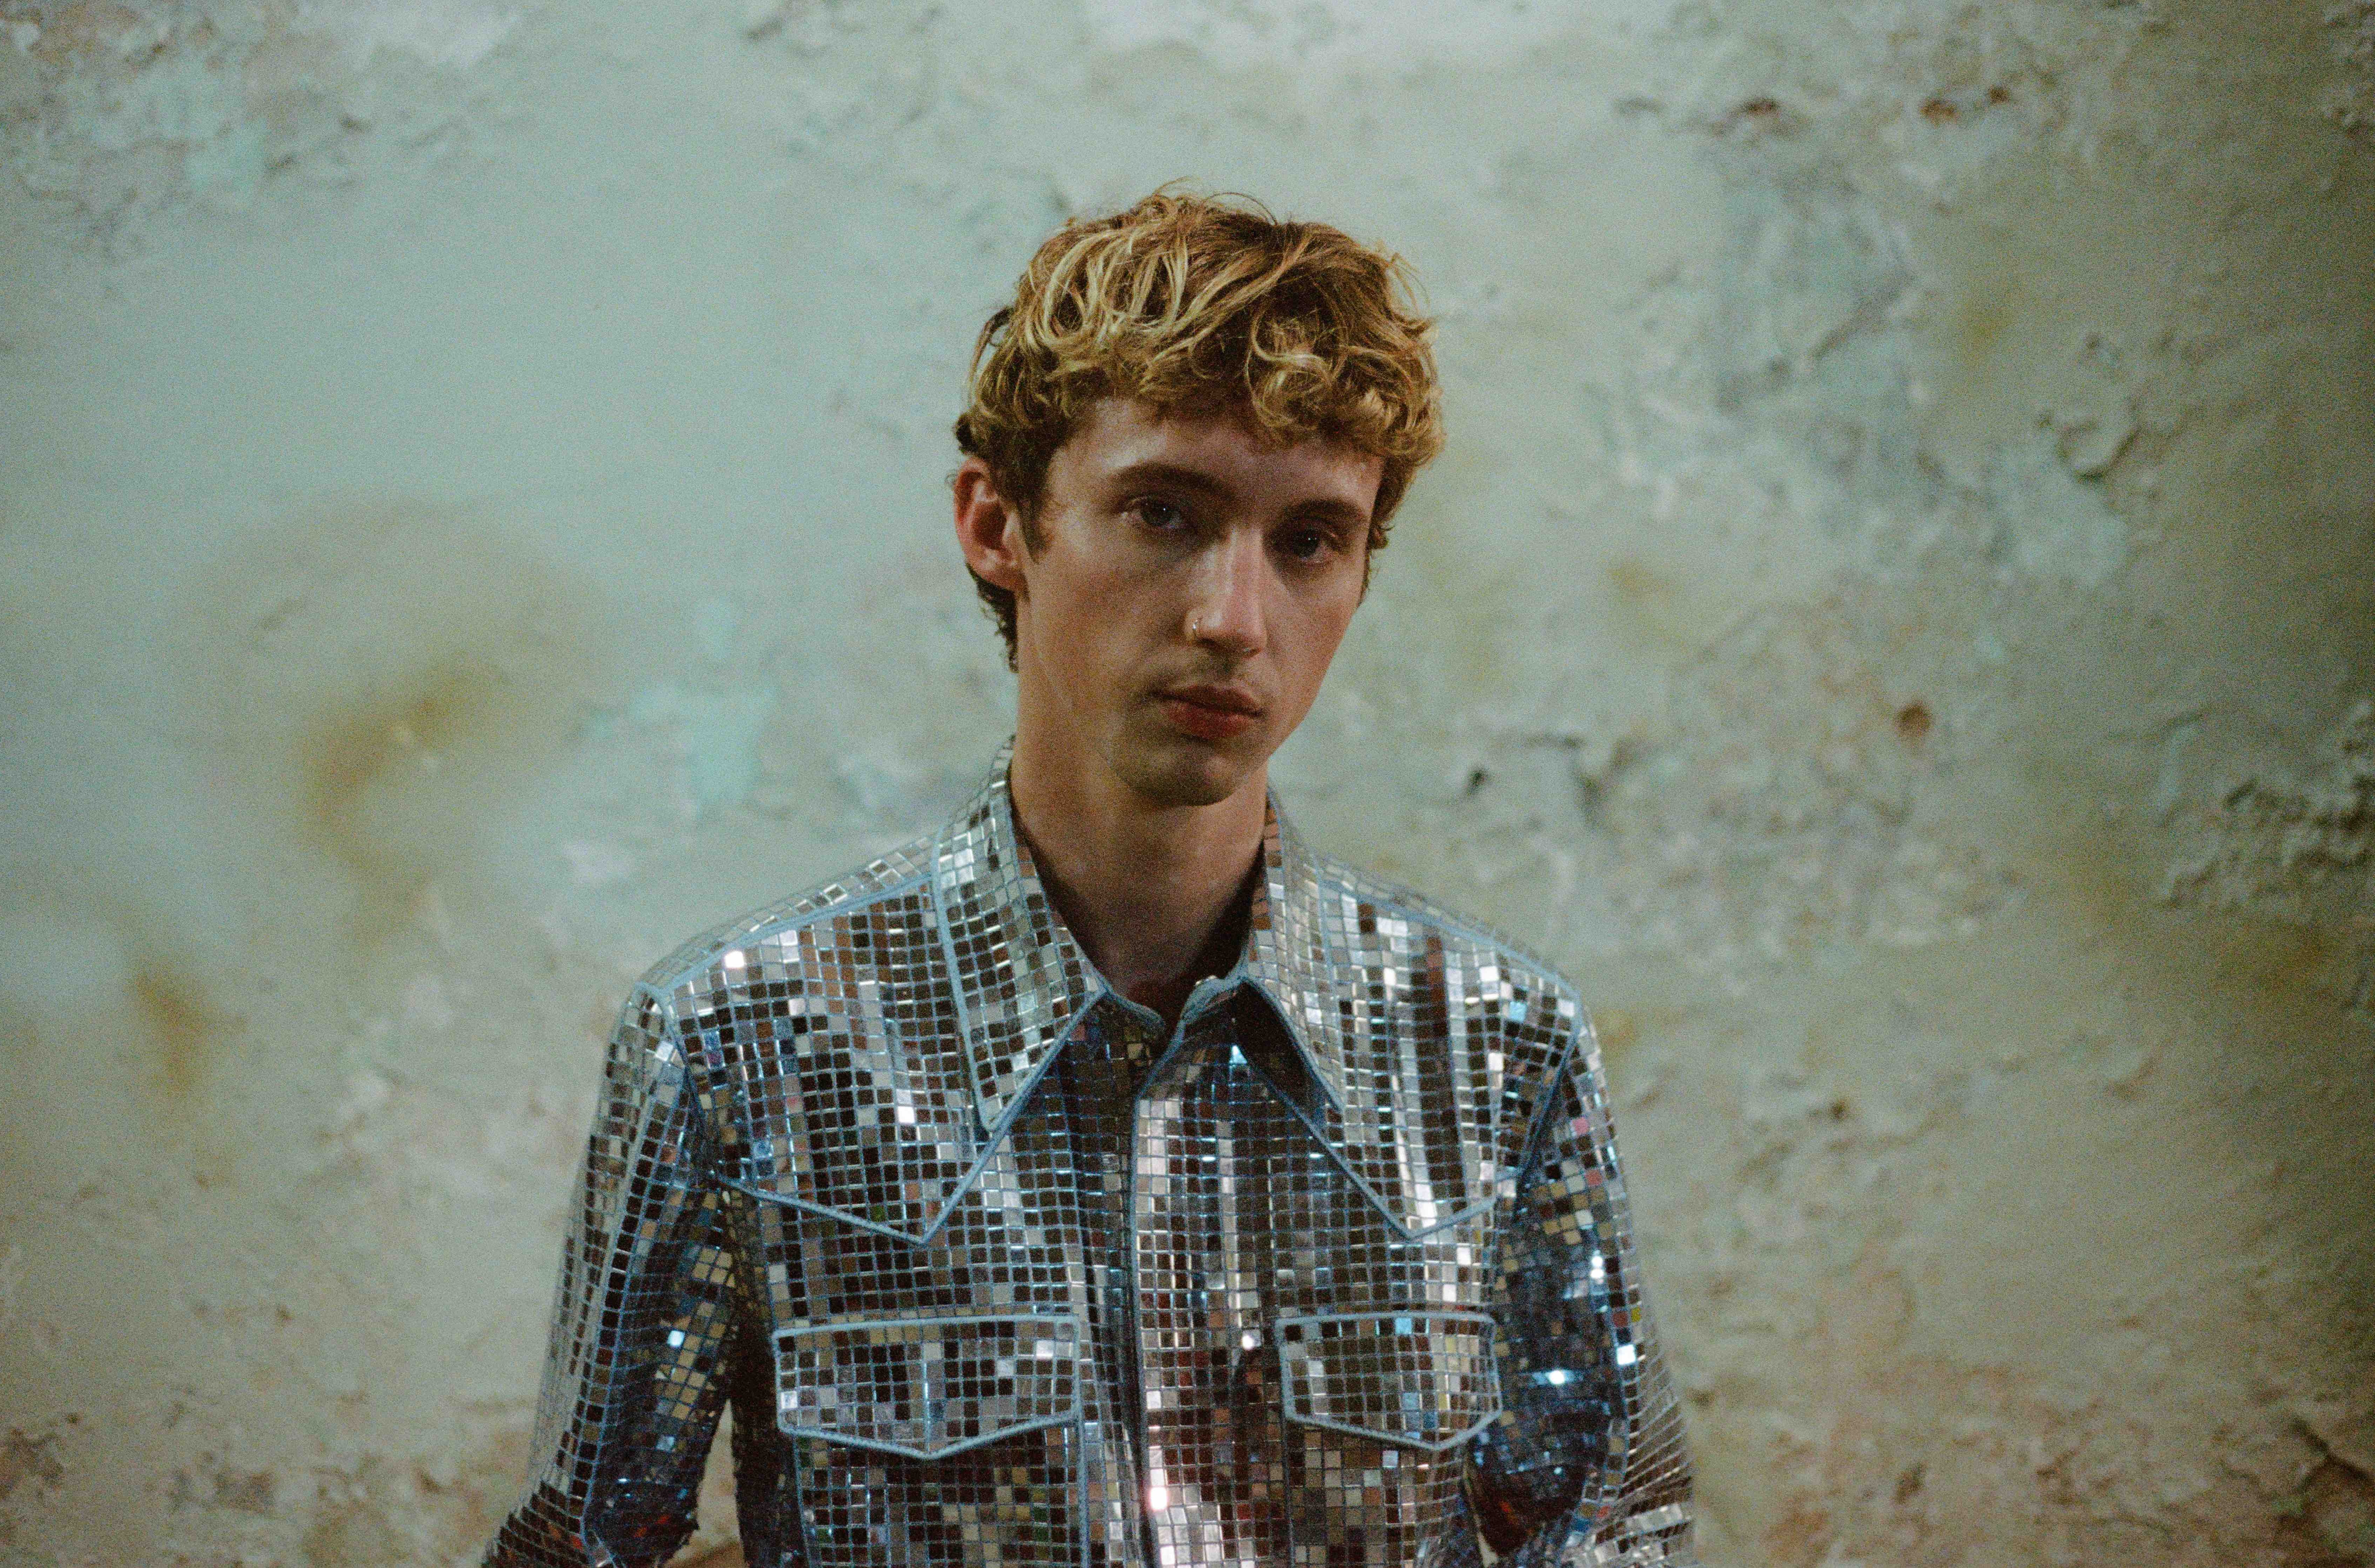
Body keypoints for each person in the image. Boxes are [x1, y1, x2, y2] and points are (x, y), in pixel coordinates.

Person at [486, 191, 1695, 1568]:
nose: (1232, 619)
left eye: (1308, 539)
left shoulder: (1494, 1047)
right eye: (1163, 512)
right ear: (998, 524)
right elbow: (581, 1546)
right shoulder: (738, 1043)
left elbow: (1613, 1531)